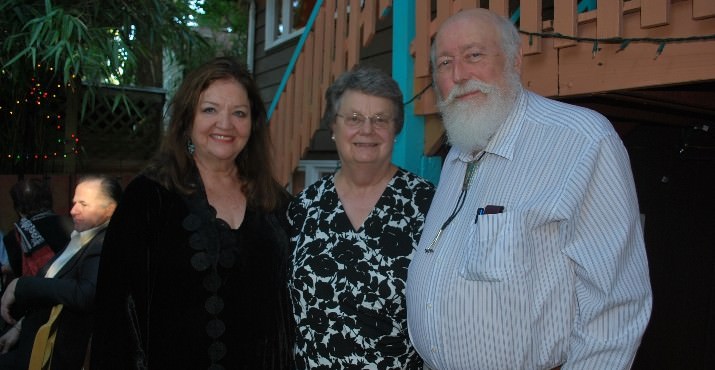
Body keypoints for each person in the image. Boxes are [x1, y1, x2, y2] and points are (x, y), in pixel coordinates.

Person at [406, 8, 652, 370]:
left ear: (515, 58)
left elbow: (616, 307)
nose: (459, 75)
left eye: (474, 55)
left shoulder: (580, 140)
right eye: (445, 63)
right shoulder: (459, 151)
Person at [89, 57, 294, 370]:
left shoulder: (274, 201)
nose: (225, 124)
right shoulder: (148, 197)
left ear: (252, 125)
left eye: (239, 113)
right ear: (187, 120)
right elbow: (116, 314)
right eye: (210, 109)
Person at [288, 65, 435, 369]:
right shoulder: (302, 207)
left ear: (396, 129)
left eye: (381, 119)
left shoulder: (429, 204)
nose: (367, 130)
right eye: (354, 118)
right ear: (333, 127)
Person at [0, 174, 121, 369]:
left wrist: (22, 284)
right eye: (74, 203)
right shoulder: (80, 237)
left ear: (111, 208)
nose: (73, 210)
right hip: (33, 348)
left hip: (55, 357)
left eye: (84, 204)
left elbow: (85, 293)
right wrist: (19, 328)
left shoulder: (104, 243)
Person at [2, 178, 73, 282]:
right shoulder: (71, 224)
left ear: (18, 208)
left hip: (34, 294)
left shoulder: (14, 237)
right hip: (69, 292)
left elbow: (19, 273)